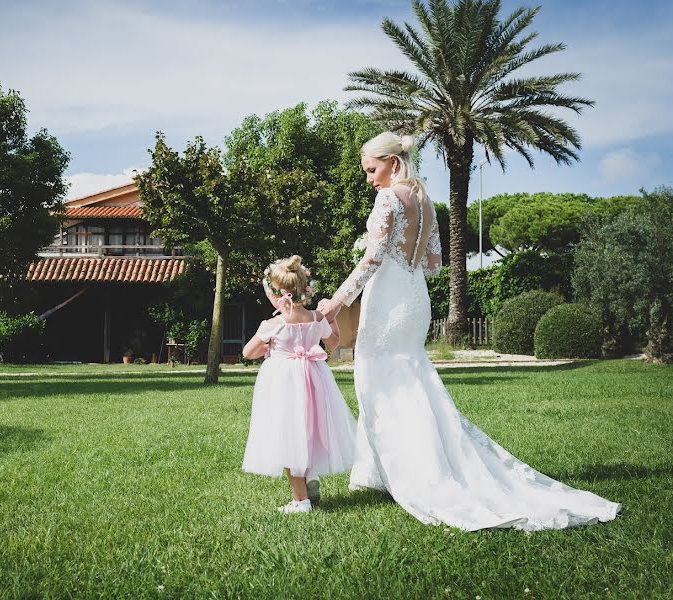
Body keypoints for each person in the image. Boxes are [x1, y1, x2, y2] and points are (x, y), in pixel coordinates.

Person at [317, 131, 620, 531]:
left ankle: (411, 473)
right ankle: (380, 471)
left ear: (392, 162)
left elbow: (372, 258)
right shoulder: (424, 200)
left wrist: (337, 301)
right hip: (414, 298)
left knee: (378, 380)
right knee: (409, 378)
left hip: (388, 297)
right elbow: (435, 263)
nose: (370, 179)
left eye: (372, 170)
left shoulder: (389, 197)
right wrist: (402, 257)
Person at [241, 255, 356, 514]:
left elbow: (248, 352)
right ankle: (311, 474)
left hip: (284, 383)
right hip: (315, 378)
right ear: (304, 289)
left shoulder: (272, 325)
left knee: (287, 436)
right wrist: (331, 318)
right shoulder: (316, 318)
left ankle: (300, 500)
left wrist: (269, 346)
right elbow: (334, 343)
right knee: (310, 429)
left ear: (276, 296)